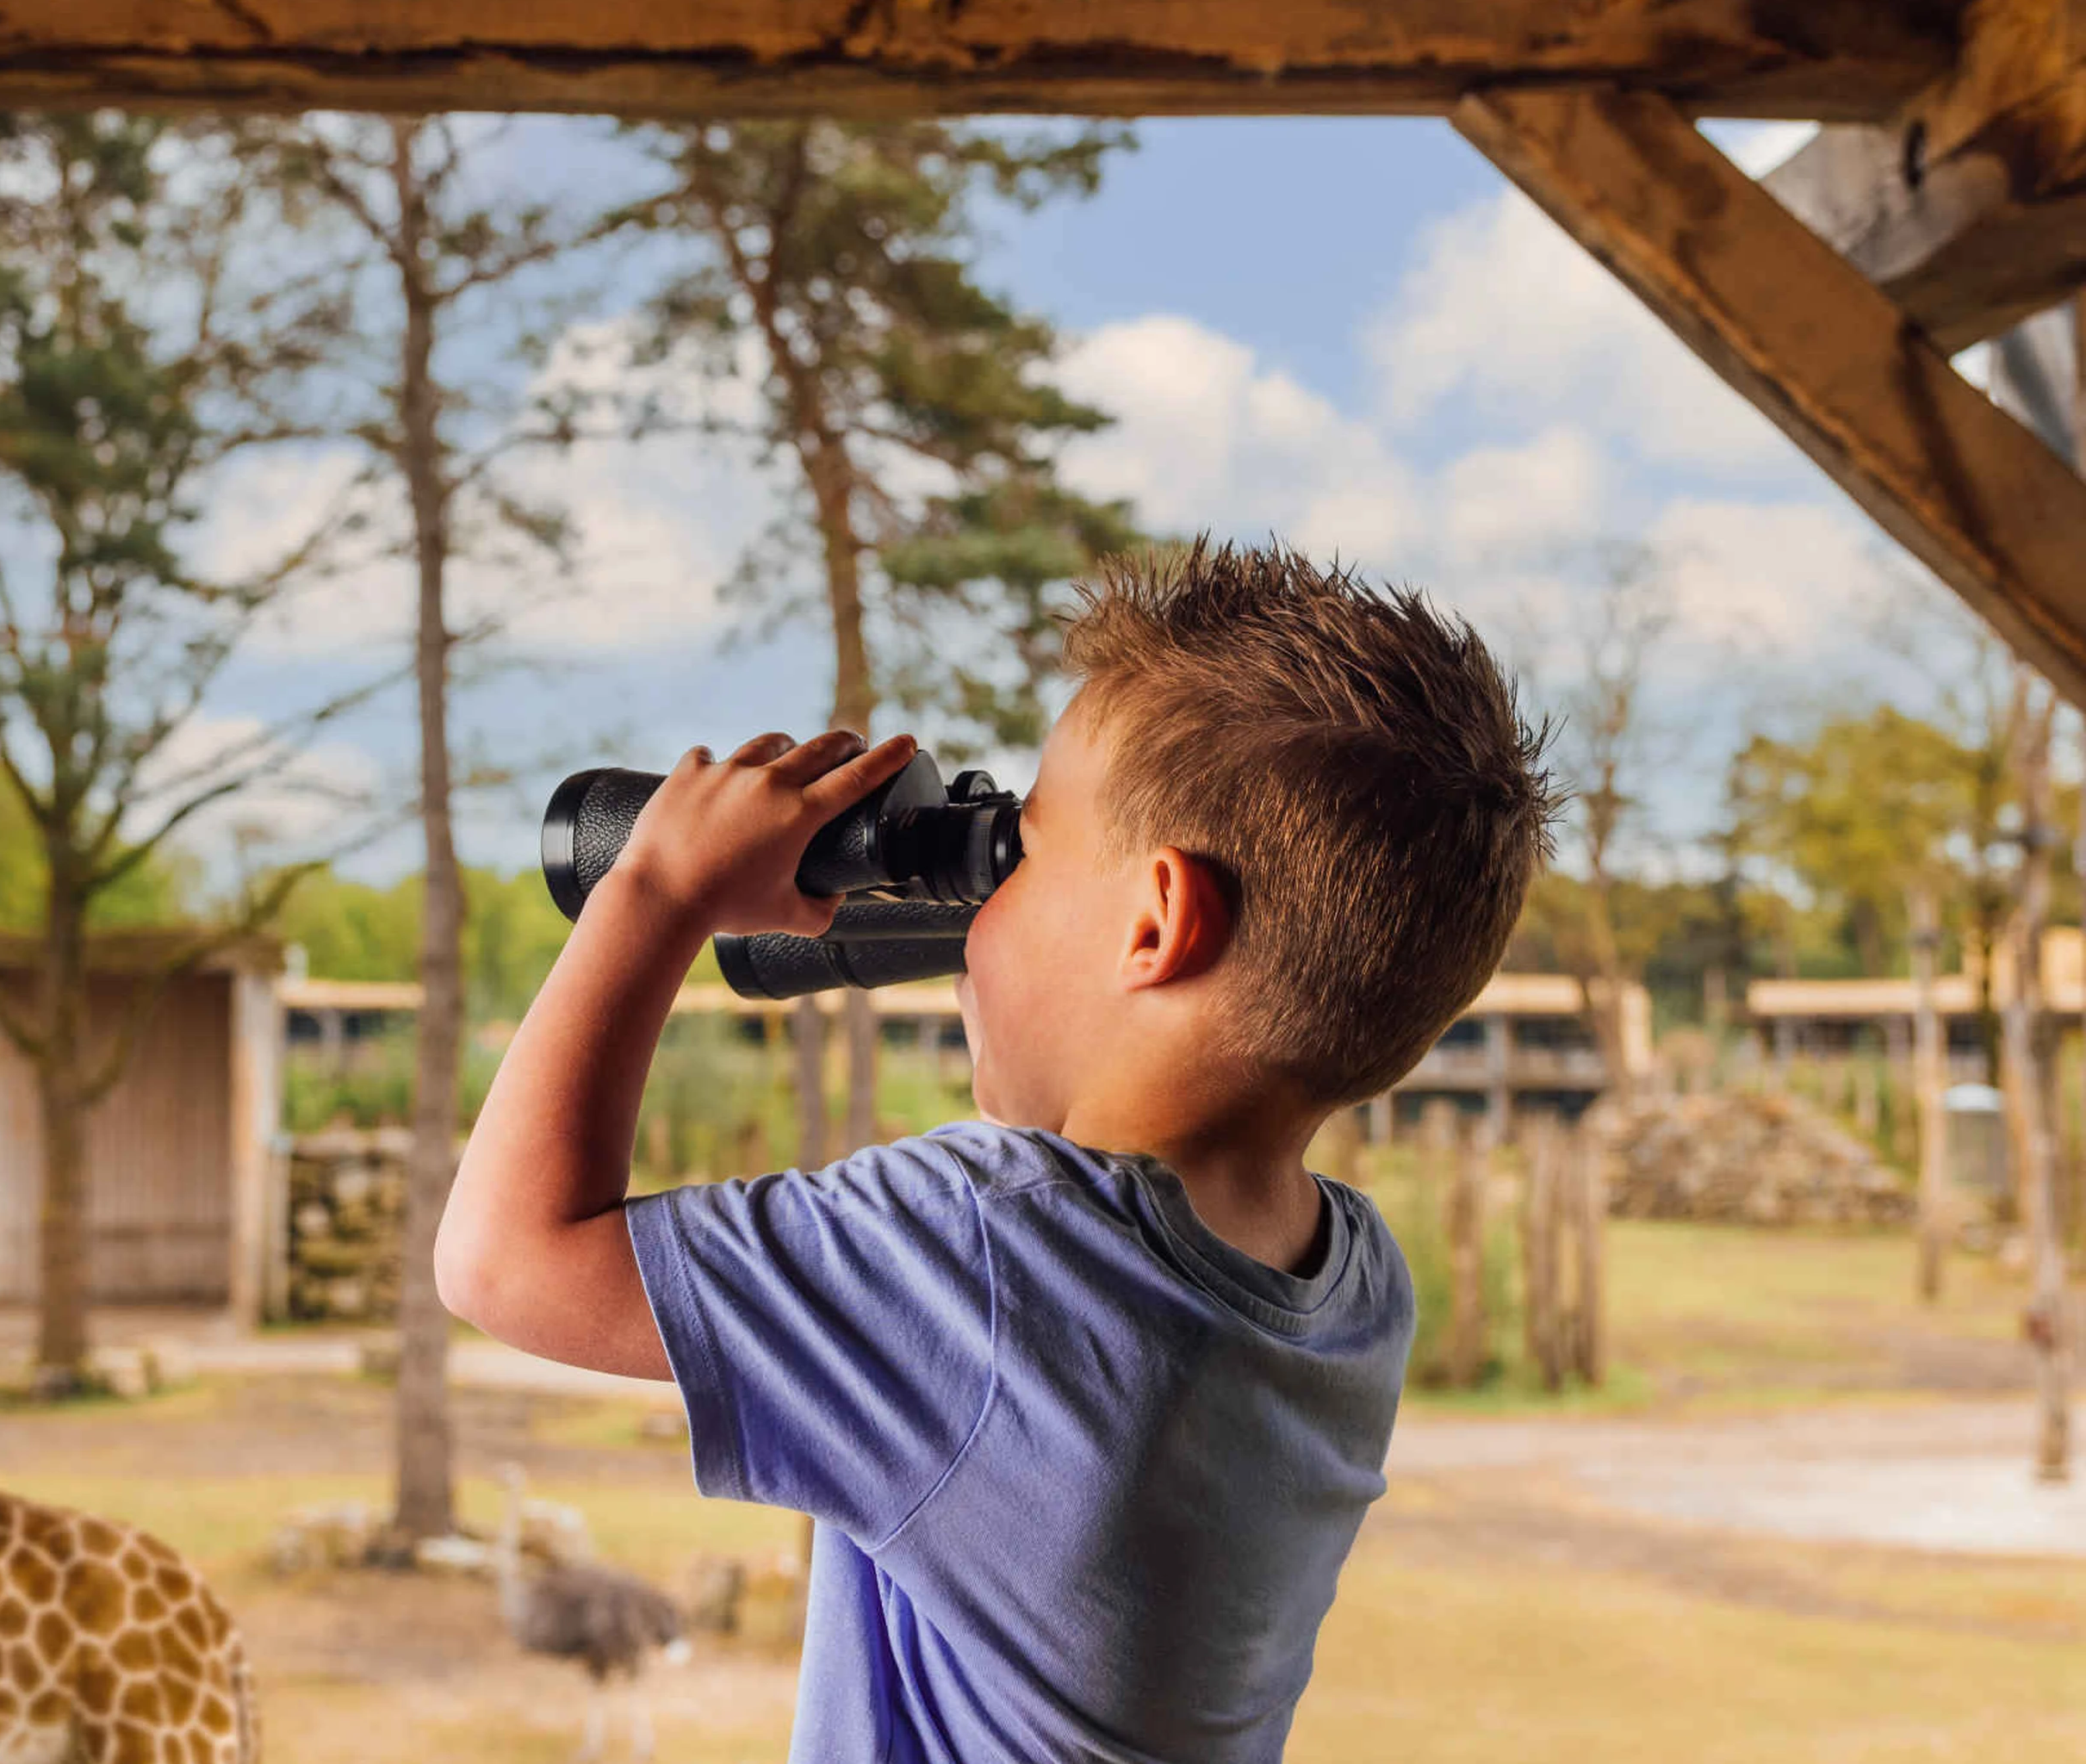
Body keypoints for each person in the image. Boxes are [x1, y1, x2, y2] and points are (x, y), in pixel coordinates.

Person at [436, 542, 1556, 1763]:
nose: (980, 899)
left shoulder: (983, 1256)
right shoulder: (1355, 1288)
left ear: (1154, 925)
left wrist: (657, 889)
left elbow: (504, 1258)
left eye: (1019, 847)